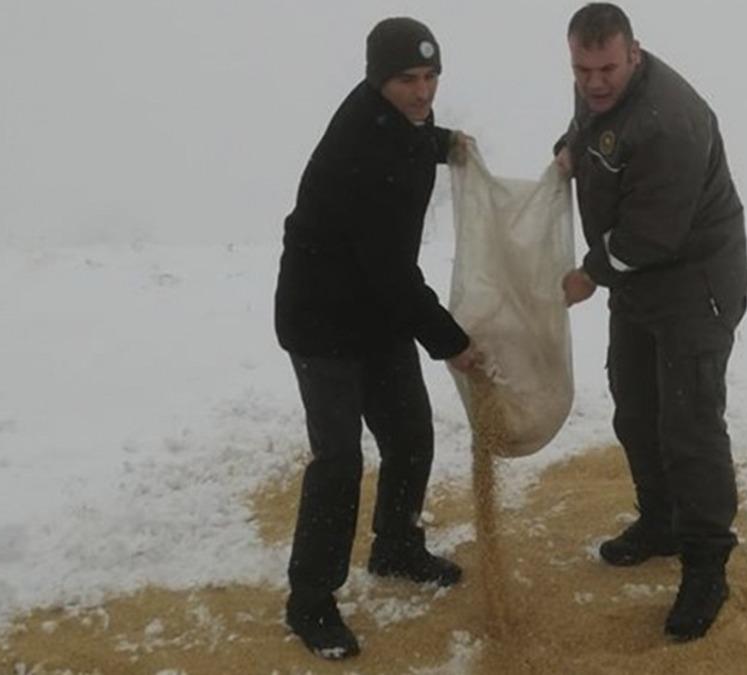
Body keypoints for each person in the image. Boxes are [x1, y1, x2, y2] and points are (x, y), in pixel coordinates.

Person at [274, 17, 483, 660]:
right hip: (323, 321)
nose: (423, 93)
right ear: (376, 81)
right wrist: (453, 342)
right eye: (407, 81)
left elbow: (416, 138)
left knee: (410, 434)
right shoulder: (360, 150)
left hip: (375, 313)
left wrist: (451, 142)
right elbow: (393, 273)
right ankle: (310, 600)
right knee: (339, 460)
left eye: (430, 77)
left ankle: (396, 546)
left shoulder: (404, 124)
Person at [554, 3, 747, 641]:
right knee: (635, 408)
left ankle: (705, 564)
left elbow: (650, 236)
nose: (594, 82)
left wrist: (588, 275)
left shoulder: (671, 122)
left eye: (606, 67)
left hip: (694, 285)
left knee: (689, 425)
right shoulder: (599, 93)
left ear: (633, 53)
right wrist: (568, 150)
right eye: (582, 69)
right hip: (638, 286)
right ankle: (660, 520)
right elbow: (591, 128)